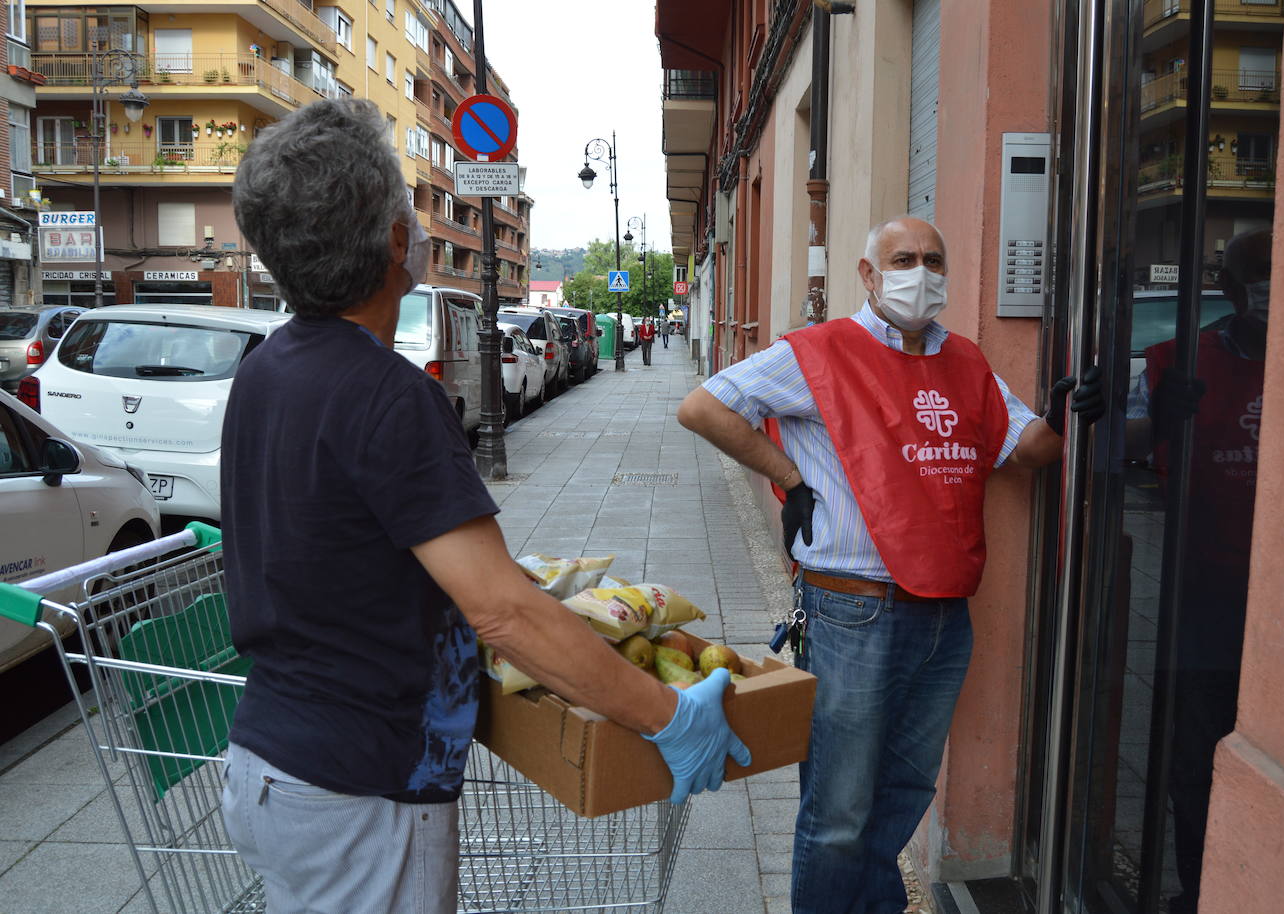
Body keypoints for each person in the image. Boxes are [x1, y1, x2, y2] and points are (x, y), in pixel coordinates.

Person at [218, 98, 749, 914]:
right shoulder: (390, 395)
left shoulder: (266, 366)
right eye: (410, 210)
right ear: (397, 241)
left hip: (272, 760)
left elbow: (339, 539)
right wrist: (669, 715)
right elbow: (503, 615)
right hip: (361, 788)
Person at [677, 216, 1103, 914]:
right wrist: (790, 477)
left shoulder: (966, 362)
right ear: (869, 275)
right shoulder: (820, 352)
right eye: (903, 258)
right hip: (852, 608)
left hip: (943, 613)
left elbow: (1024, 449)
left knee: (904, 793)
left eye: (934, 260)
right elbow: (704, 407)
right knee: (840, 810)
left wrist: (1062, 417)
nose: (921, 272)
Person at [1125, 228, 1270, 914]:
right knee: (1198, 747)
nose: (1267, 296)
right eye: (1256, 282)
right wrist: (1149, 418)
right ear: (1233, 290)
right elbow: (1129, 447)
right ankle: (1197, 887)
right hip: (1204, 587)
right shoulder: (1178, 361)